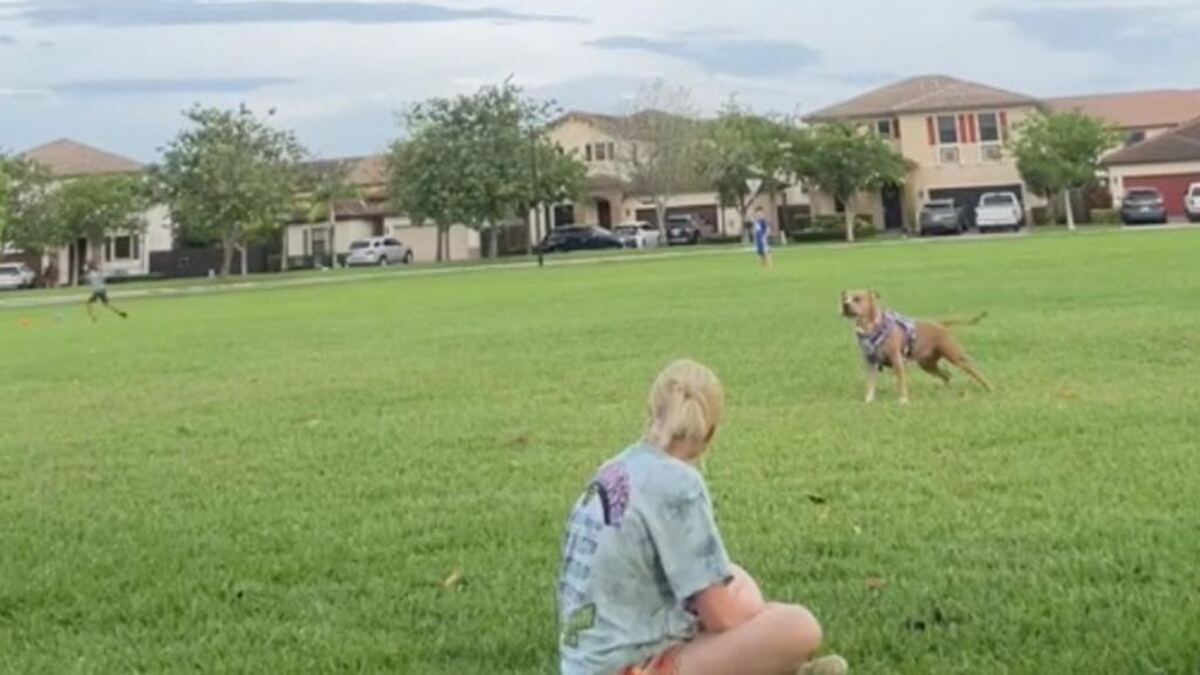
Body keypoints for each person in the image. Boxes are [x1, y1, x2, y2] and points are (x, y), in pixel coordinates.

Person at [557, 360, 846, 675]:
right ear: (710, 430)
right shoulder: (679, 483)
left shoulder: (614, 467)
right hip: (627, 666)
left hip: (585, 661)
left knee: (738, 582)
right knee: (797, 627)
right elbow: (720, 616)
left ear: (652, 411)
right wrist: (760, 617)